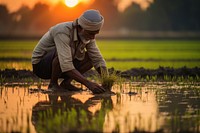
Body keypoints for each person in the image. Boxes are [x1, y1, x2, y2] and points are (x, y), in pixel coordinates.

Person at [32, 9, 108, 94]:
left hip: (63, 65)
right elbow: (65, 63)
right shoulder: (62, 31)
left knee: (91, 58)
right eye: (91, 33)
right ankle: (53, 84)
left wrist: (107, 82)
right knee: (62, 54)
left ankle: (66, 83)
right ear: (80, 28)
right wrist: (89, 84)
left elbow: (97, 59)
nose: (93, 37)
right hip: (42, 66)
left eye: (95, 33)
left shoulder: (88, 36)